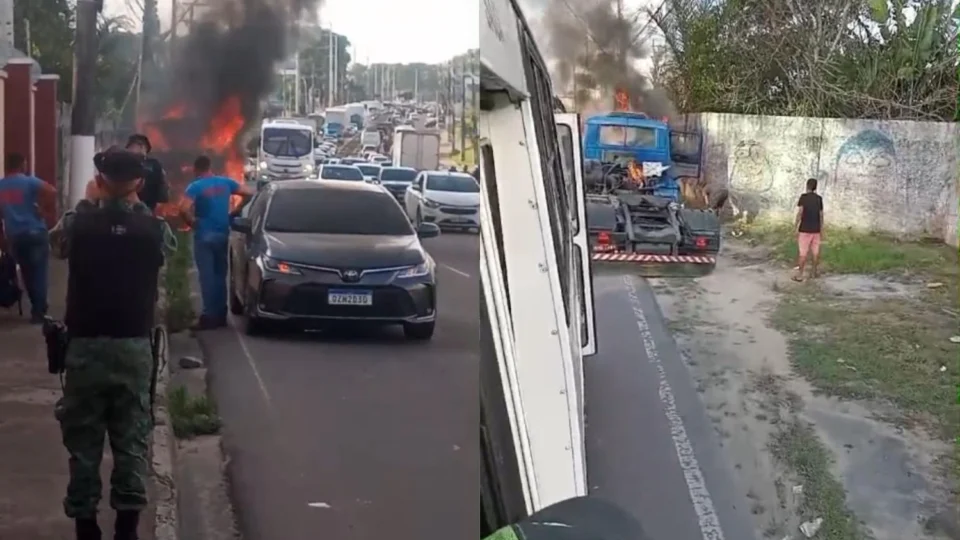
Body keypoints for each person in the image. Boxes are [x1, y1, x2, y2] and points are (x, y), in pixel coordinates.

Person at [48, 148, 178, 540]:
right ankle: (127, 528)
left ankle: (86, 526)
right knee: (132, 439)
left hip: (85, 348)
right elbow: (165, 255)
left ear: (100, 179)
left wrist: (90, 203)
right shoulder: (156, 231)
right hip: (133, 348)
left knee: (84, 444)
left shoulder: (78, 223)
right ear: (139, 183)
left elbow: (56, 246)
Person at [180, 155, 254, 330]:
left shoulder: (195, 186)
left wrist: (191, 222)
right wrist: (235, 211)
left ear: (196, 169)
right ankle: (221, 315)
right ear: (210, 167)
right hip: (222, 234)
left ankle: (209, 316)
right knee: (220, 275)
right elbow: (249, 193)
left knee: (207, 276)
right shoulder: (225, 182)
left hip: (204, 235)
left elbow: (183, 208)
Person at [0, 152, 57, 323]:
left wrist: (2, 240)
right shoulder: (29, 181)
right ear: (22, 165)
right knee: (39, 272)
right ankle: (38, 311)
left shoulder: (1, 186)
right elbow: (52, 191)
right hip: (36, 232)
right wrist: (43, 209)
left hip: (16, 236)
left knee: (26, 272)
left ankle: (36, 306)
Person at [125, 133, 169, 213]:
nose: (132, 149)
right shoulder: (124, 163)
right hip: (127, 207)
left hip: (148, 208)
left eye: (134, 146)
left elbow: (162, 187)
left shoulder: (154, 164)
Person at [793, 177, 824, 282]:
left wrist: (796, 226)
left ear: (807, 186)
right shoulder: (819, 199)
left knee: (803, 253)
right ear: (815, 187)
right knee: (815, 252)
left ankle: (800, 275)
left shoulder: (803, 197)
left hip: (804, 229)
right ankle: (814, 273)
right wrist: (821, 228)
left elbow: (800, 212)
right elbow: (821, 215)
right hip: (816, 230)